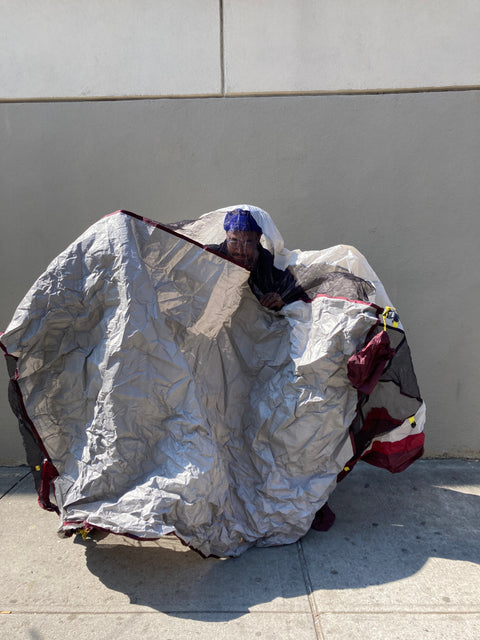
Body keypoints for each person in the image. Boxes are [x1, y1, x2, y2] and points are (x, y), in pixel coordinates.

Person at [207, 209, 308, 310]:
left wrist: (281, 300)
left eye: (248, 242)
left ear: (258, 238)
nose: (240, 250)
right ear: (226, 235)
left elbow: (299, 295)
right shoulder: (208, 256)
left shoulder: (270, 264)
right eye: (234, 241)